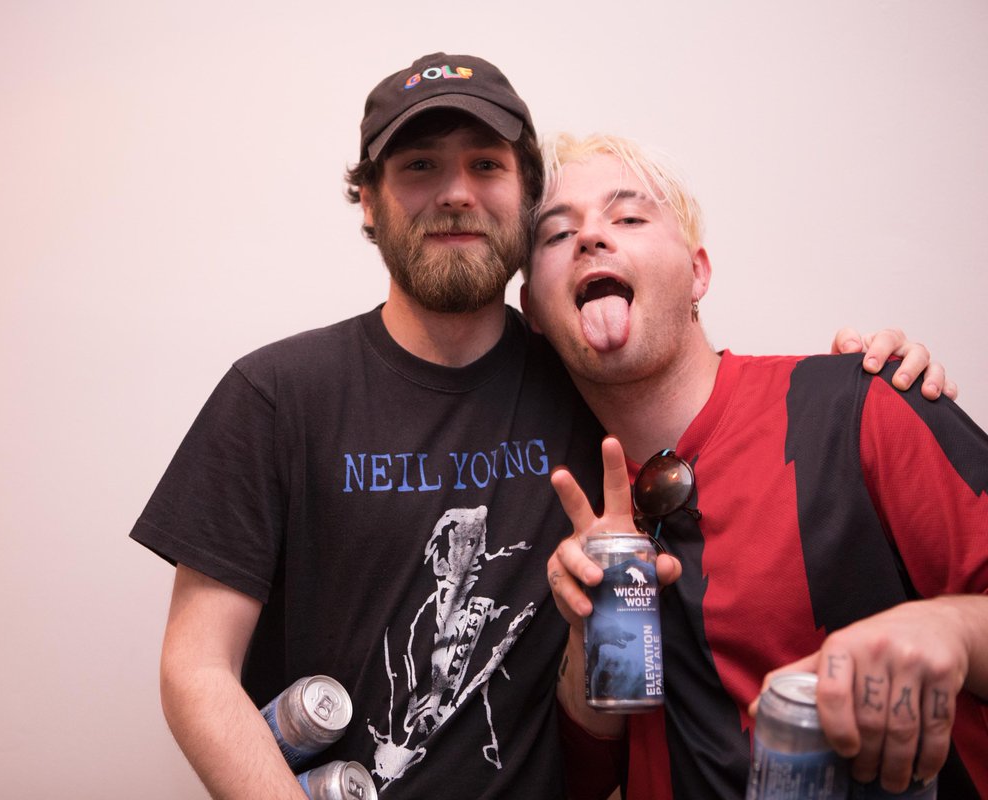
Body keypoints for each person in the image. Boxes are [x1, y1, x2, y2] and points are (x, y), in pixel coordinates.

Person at [129, 53, 950, 799]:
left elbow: (691, 373)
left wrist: (872, 376)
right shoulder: (278, 394)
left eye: (486, 165)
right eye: (419, 166)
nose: (456, 191)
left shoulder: (590, 386)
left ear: (523, 203)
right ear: (369, 203)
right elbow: (196, 669)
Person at [527, 133, 988, 798]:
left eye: (627, 217)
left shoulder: (860, 407)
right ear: (533, 314)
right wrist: (588, 635)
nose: (591, 238)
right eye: (557, 234)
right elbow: (579, 779)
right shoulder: (558, 504)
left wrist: (953, 627)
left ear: (698, 273)